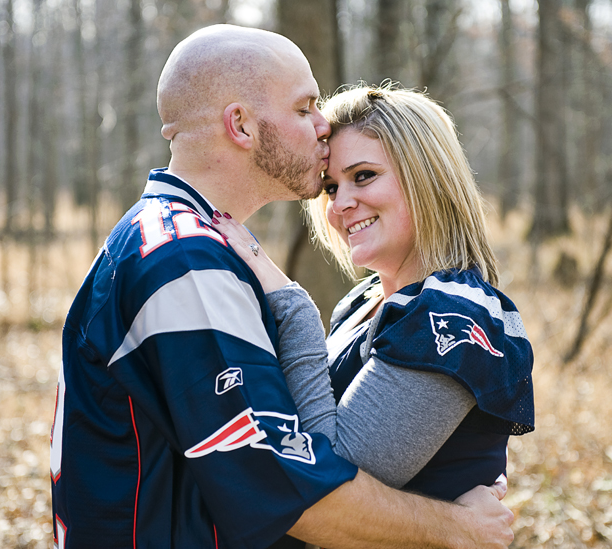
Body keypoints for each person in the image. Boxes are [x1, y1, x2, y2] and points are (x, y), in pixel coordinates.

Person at [49, 25, 515, 549]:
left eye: (363, 176)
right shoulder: (186, 260)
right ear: (241, 125)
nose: (322, 126)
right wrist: (458, 528)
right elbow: (300, 489)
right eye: (304, 108)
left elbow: (296, 470)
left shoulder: (174, 242)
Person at [212, 84, 535, 524]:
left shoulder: (455, 313)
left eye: (363, 175)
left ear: (427, 177)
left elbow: (331, 478)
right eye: (330, 186)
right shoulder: (360, 303)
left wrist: (294, 308)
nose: (342, 203)